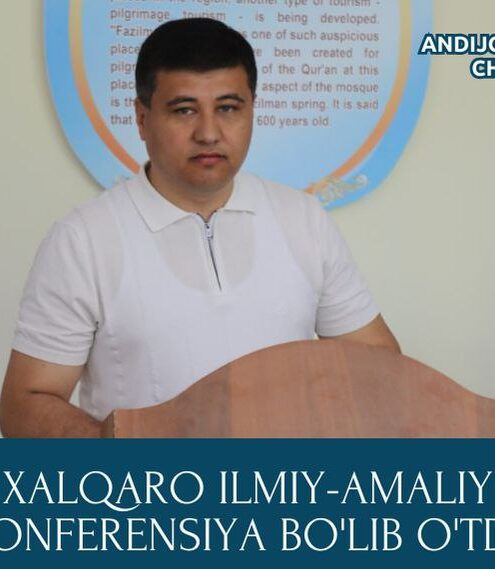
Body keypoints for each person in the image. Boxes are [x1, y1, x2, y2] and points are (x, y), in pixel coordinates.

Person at [0, 18, 399, 438]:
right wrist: (120, 450)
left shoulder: (303, 219)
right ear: (141, 118)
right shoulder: (83, 240)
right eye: (184, 110)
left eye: (228, 108)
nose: (208, 133)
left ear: (252, 109)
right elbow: (23, 404)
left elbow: (380, 365)